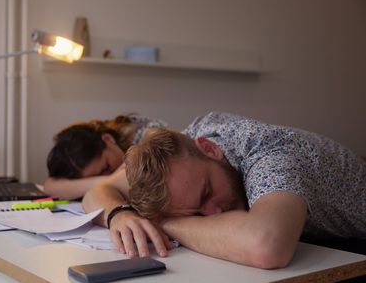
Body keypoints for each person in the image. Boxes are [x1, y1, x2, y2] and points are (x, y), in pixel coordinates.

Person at [82, 112, 366, 269]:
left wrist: (165, 222)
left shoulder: (271, 155)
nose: (213, 213)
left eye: (206, 193)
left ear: (210, 149)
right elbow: (99, 191)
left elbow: (266, 247)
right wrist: (119, 214)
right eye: (195, 211)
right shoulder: (179, 159)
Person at [43, 114, 168, 200]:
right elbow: (50, 186)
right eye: (91, 179)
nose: (107, 175)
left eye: (106, 167)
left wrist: (106, 183)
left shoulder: (145, 136)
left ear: (108, 139)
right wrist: (109, 181)